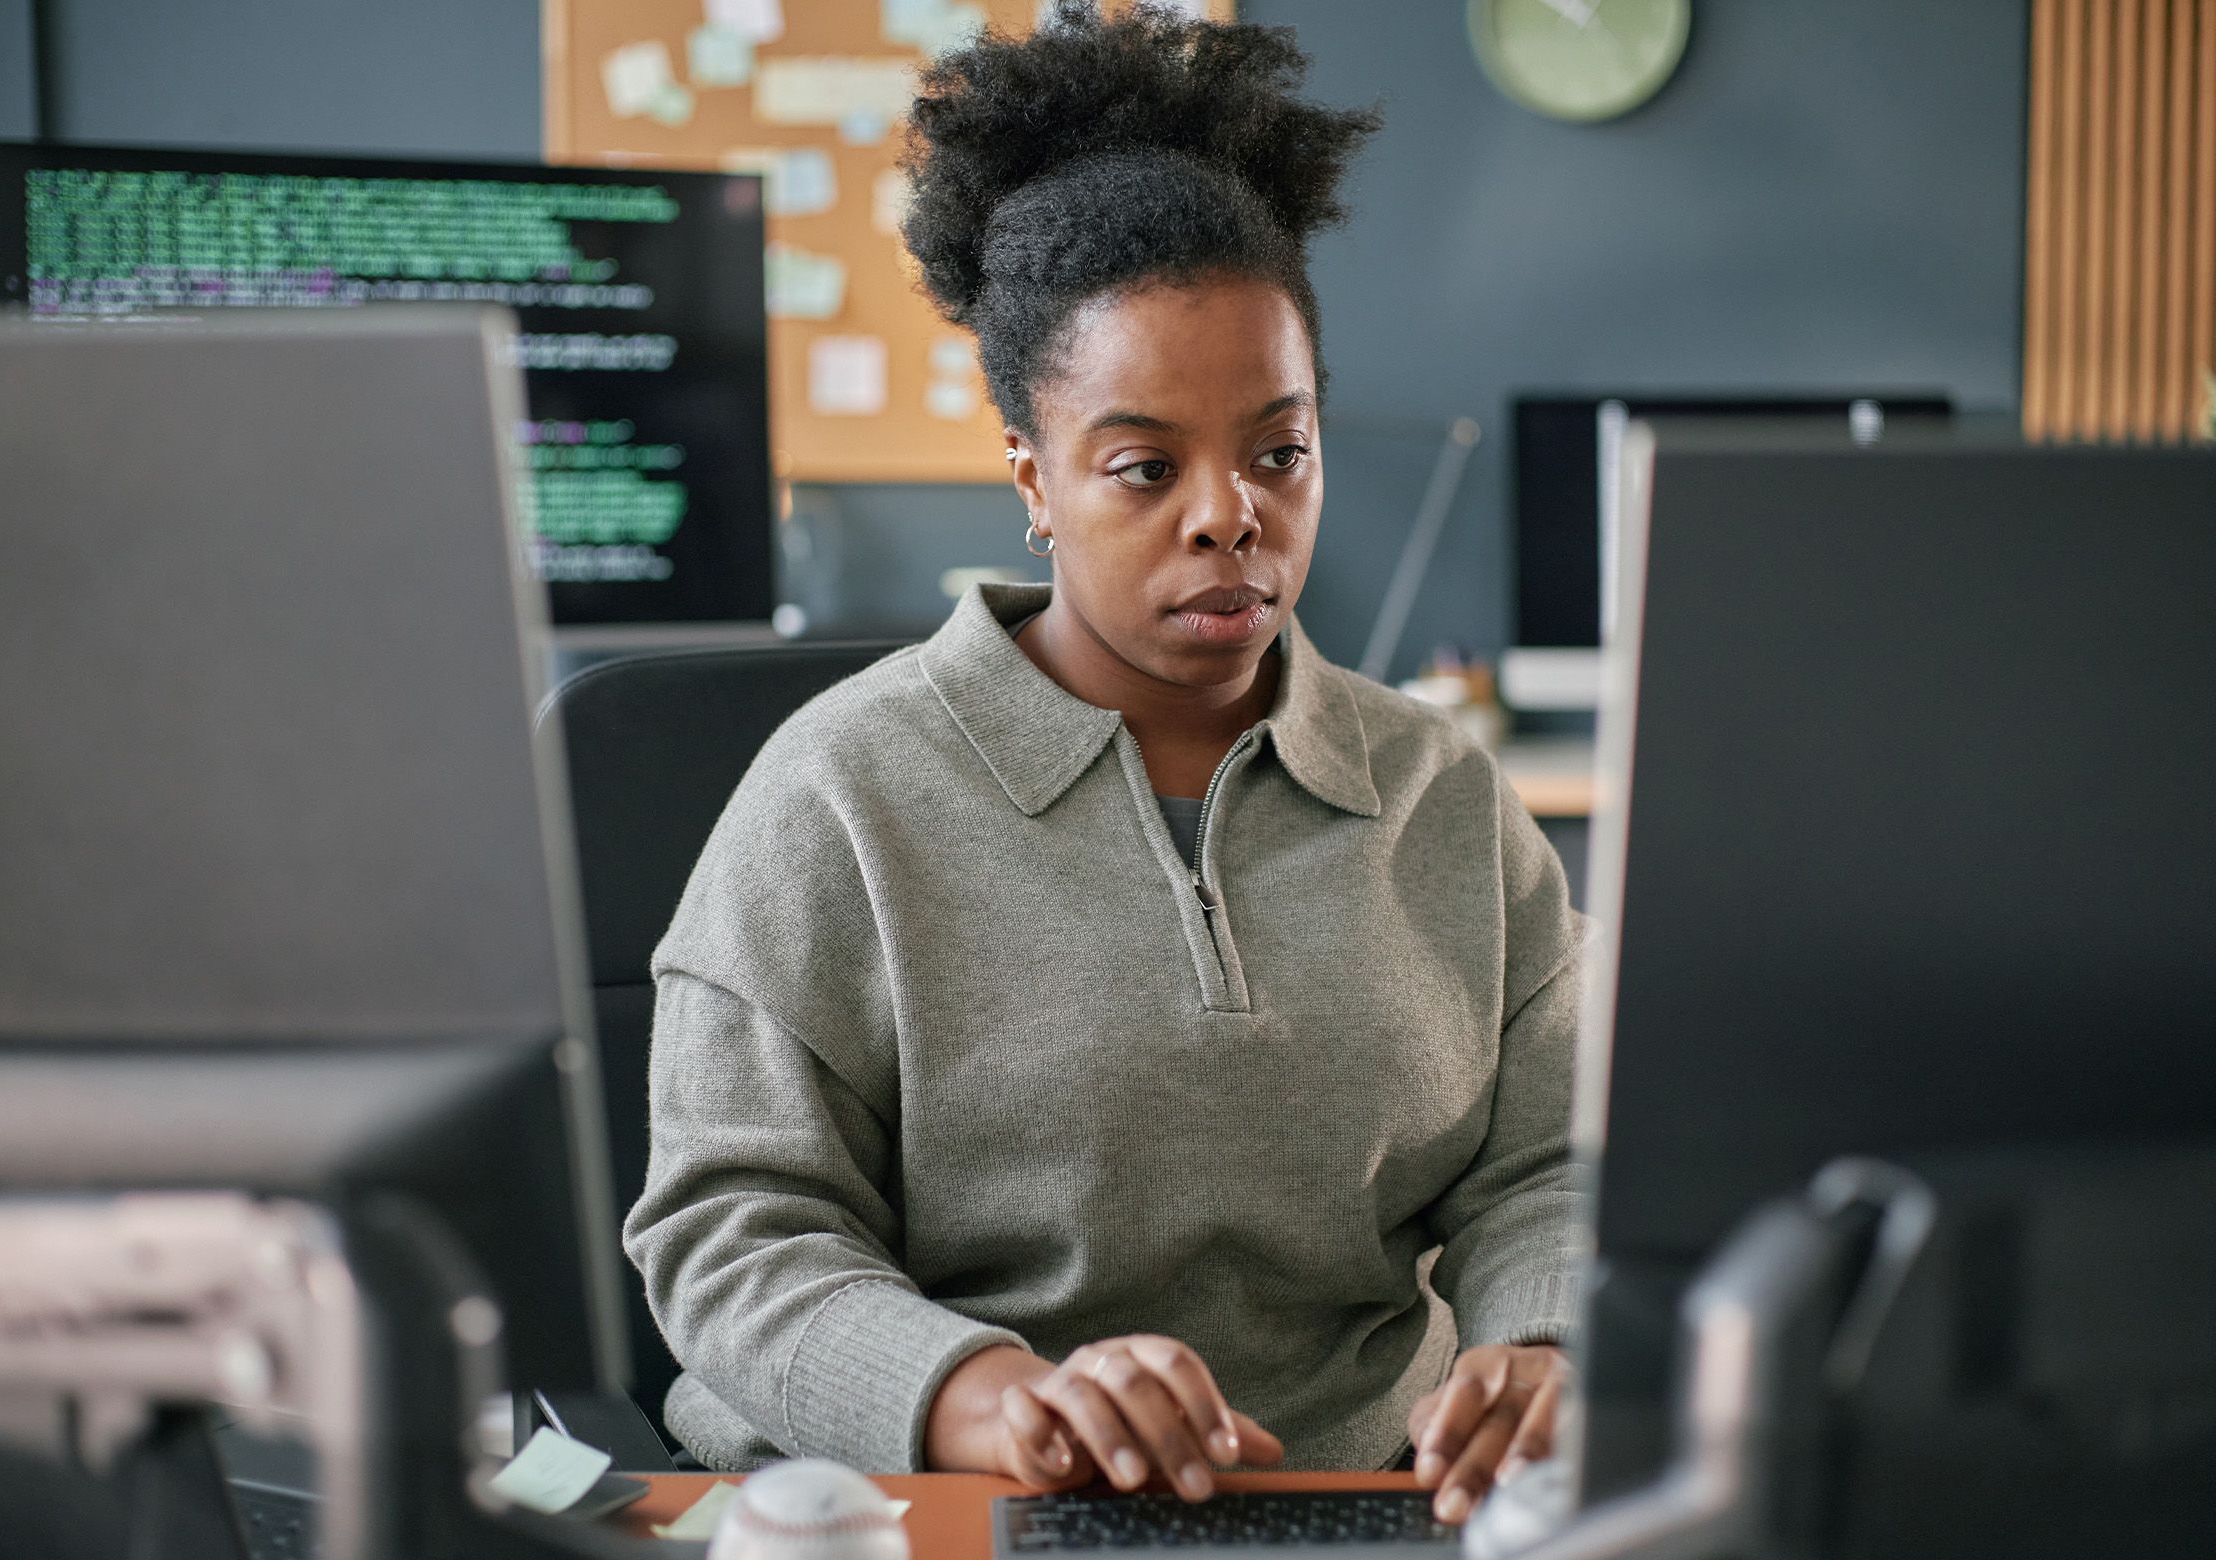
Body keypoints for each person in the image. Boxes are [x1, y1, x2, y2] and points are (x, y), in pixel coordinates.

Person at [624, 3, 1593, 1526]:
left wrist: (1541, 1336)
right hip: (940, 1508)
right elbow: (736, 1233)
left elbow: (1550, 1157)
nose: (1231, 517)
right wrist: (987, 1396)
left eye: (1280, 451)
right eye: (1145, 467)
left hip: (1366, 1503)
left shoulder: (1439, 795)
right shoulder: (839, 795)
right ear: (1034, 478)